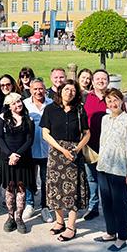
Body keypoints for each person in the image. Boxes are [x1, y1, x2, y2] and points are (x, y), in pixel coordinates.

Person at [40, 79, 90, 242]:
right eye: (67, 89)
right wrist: (62, 150)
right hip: (56, 153)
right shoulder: (50, 109)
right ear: (60, 91)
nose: (70, 92)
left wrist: (76, 149)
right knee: (56, 189)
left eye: (73, 90)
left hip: (75, 154)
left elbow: (87, 133)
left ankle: (71, 226)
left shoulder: (80, 110)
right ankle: (59, 221)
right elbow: (45, 134)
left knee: (72, 190)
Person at [95, 88, 127, 252]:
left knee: (119, 205)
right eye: (109, 101)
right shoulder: (105, 119)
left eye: (115, 100)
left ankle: (122, 237)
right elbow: (102, 142)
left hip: (120, 170)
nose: (113, 104)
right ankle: (110, 232)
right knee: (106, 202)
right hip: (103, 167)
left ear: (122, 101)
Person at [0, 93, 35, 234]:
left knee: (21, 187)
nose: (18, 105)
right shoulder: (2, 119)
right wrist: (10, 155)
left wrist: (17, 155)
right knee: (10, 187)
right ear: (9, 106)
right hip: (7, 159)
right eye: (14, 103)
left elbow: (29, 140)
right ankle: (10, 217)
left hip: (23, 159)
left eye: (19, 102)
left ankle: (19, 218)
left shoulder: (28, 119)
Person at [22, 78, 54, 223]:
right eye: (35, 89)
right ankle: (29, 204)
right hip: (30, 148)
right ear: (30, 90)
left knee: (46, 178)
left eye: (40, 89)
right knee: (30, 178)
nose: (38, 91)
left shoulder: (51, 104)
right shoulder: (25, 105)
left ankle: (45, 207)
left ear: (45, 89)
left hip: (47, 149)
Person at [82, 69, 110, 221]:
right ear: (92, 82)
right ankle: (93, 207)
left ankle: (108, 206)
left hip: (109, 147)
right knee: (91, 178)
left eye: (103, 78)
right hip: (90, 145)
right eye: (97, 78)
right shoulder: (86, 97)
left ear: (108, 81)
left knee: (106, 179)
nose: (101, 81)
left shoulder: (113, 97)